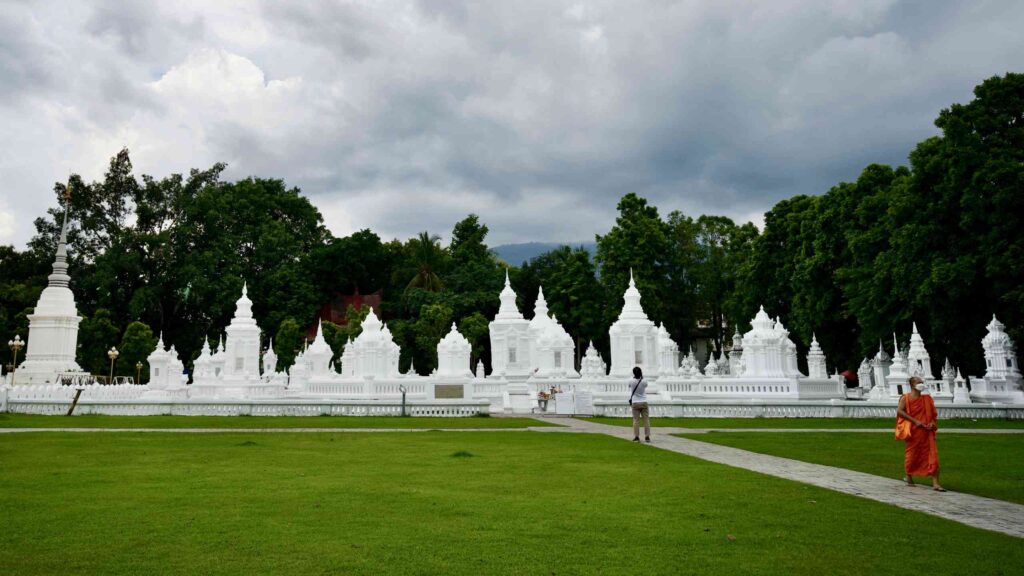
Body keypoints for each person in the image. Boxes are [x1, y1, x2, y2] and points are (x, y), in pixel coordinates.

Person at [896, 376, 945, 491]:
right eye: (919, 382)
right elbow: (899, 411)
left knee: (933, 456)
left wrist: (932, 423)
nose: (921, 384)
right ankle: (909, 476)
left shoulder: (927, 399)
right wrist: (915, 421)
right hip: (914, 431)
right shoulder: (906, 398)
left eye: (922, 382)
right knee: (912, 455)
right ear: (912, 385)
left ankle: (935, 483)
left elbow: (933, 414)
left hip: (927, 432)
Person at [629, 366, 650, 443]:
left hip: (635, 402)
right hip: (644, 401)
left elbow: (629, 386)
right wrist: (642, 377)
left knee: (635, 420)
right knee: (646, 420)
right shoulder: (644, 381)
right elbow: (645, 385)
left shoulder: (631, 381)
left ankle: (636, 436)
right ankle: (647, 436)